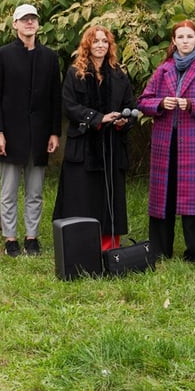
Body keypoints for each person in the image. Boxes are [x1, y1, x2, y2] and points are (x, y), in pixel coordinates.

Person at [137, 20, 195, 262]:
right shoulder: (163, 69)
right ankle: (159, 249)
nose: (185, 41)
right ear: (174, 41)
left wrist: (191, 104)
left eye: (190, 36)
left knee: (194, 197)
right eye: (181, 37)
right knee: (163, 195)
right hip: (165, 143)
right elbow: (143, 101)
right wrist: (159, 104)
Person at [52, 25, 136, 251]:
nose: (100, 45)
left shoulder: (119, 75)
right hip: (83, 146)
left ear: (110, 46)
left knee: (109, 200)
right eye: (96, 41)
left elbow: (130, 107)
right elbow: (69, 106)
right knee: (80, 197)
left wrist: (122, 121)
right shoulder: (74, 73)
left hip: (111, 147)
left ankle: (108, 247)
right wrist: (98, 118)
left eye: (104, 41)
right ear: (87, 45)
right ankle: (80, 244)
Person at [0, 3, 62, 257]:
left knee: (35, 190)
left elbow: (55, 98)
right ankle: (10, 238)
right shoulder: (3, 55)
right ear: (15, 24)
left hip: (40, 134)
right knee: (8, 190)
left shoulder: (50, 58)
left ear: (38, 24)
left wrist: (54, 132)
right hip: (10, 133)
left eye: (33, 19)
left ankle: (32, 237)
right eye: (24, 19)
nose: (29, 23)